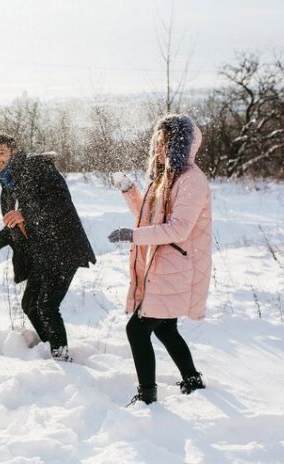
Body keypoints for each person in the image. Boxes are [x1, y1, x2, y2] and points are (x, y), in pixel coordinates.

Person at [108, 114, 211, 405]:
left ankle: (147, 396)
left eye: (168, 142)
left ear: (182, 143)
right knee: (165, 328)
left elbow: (178, 228)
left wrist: (133, 235)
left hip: (175, 267)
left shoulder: (191, 180)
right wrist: (130, 190)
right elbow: (149, 217)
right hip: (163, 266)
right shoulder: (167, 178)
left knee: (137, 330)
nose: (161, 147)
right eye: (159, 141)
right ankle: (192, 379)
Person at [0, 133, 96, 361]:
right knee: (30, 304)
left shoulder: (38, 169)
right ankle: (50, 347)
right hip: (43, 253)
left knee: (47, 305)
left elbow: (60, 205)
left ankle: (62, 357)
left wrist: (25, 214)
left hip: (63, 247)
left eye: (1, 152)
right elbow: (13, 227)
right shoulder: (8, 188)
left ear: (14, 151)